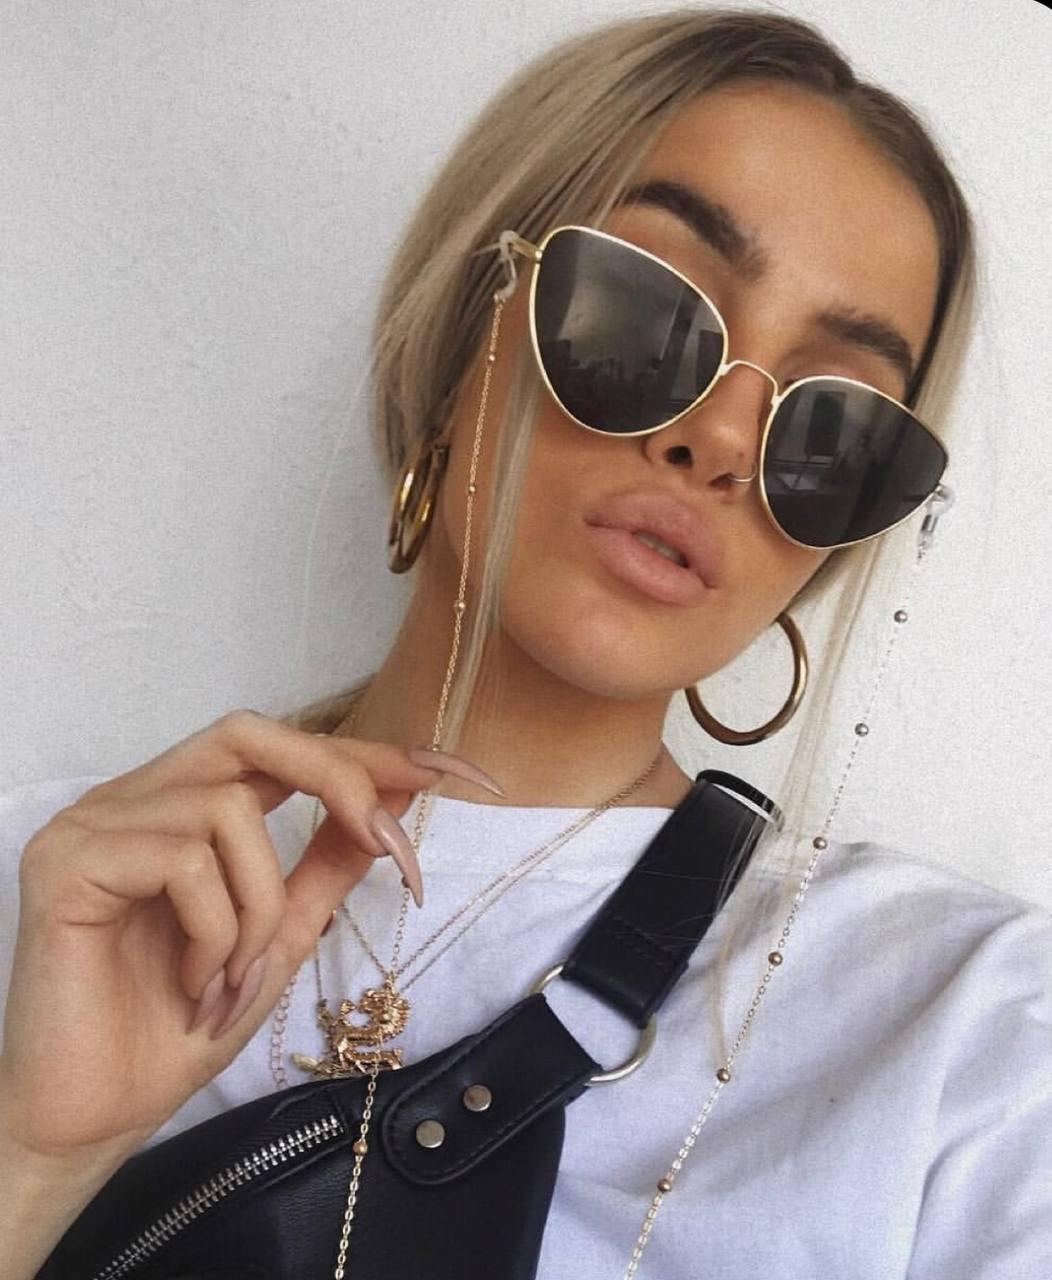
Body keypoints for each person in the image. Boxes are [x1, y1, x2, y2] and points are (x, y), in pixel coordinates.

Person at [1, 8, 1049, 1278]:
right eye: (646, 314)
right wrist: (33, 1163)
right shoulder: (60, 896)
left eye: (835, 430)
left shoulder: (967, 1034)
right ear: (458, 334)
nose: (721, 440)